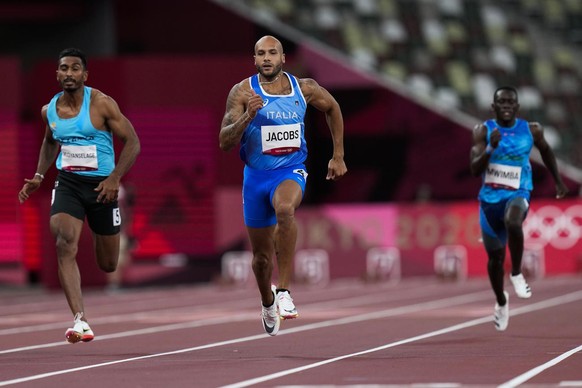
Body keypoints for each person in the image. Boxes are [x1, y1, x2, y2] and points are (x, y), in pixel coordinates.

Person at [219, 35, 347, 336]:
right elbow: (224, 142)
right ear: (254, 60)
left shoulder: (304, 88)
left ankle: (285, 291)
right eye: (261, 53)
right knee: (261, 260)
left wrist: (338, 155)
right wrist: (247, 117)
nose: (266, 58)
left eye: (272, 53)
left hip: (291, 170)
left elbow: (333, 108)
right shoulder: (242, 92)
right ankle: (267, 300)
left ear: (283, 58)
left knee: (286, 210)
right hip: (255, 178)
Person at [18, 48, 141, 343]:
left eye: (75, 69)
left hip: (102, 186)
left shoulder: (101, 104)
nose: (69, 74)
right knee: (63, 242)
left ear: (85, 75)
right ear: (57, 74)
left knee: (108, 263)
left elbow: (133, 142)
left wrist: (114, 178)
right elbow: (50, 142)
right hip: (69, 183)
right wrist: (38, 175)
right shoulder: (50, 111)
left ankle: (83, 313)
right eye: (64, 68)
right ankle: (80, 320)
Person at [470, 86, 568, 331]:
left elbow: (546, 151)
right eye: (501, 102)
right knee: (494, 259)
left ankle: (516, 273)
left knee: (514, 222)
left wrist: (557, 180)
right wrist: (491, 149)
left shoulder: (531, 130)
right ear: (493, 107)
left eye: (510, 102)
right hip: (489, 201)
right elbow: (473, 168)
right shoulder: (483, 130)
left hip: (518, 193)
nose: (505, 105)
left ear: (517, 107)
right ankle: (501, 302)